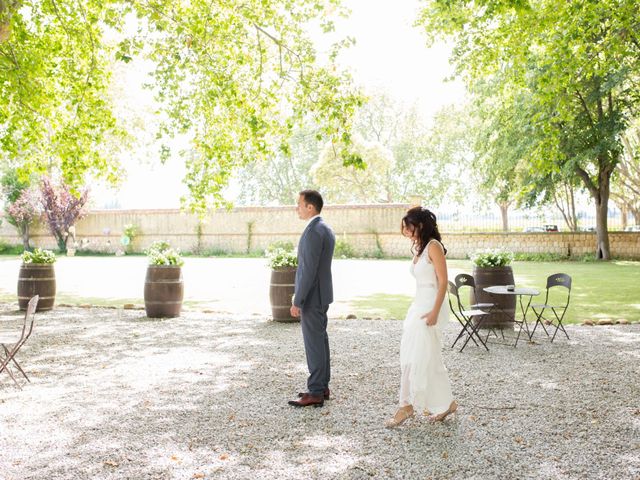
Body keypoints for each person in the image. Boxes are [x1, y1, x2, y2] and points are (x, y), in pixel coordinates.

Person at [385, 206, 457, 428]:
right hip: (419, 305)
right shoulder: (420, 248)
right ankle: (447, 403)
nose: (406, 231)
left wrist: (435, 311)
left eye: (409, 226)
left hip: (430, 306)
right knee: (426, 357)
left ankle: (405, 405)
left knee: (415, 355)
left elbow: (443, 281)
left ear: (421, 225)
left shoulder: (434, 247)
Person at [287, 190, 336, 408]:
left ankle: (316, 390)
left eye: (299, 204)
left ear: (310, 207)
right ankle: (322, 386)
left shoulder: (314, 231)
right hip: (321, 295)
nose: (296, 208)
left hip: (313, 297)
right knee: (320, 341)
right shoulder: (325, 228)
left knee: (314, 344)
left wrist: (298, 300)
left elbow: (308, 270)